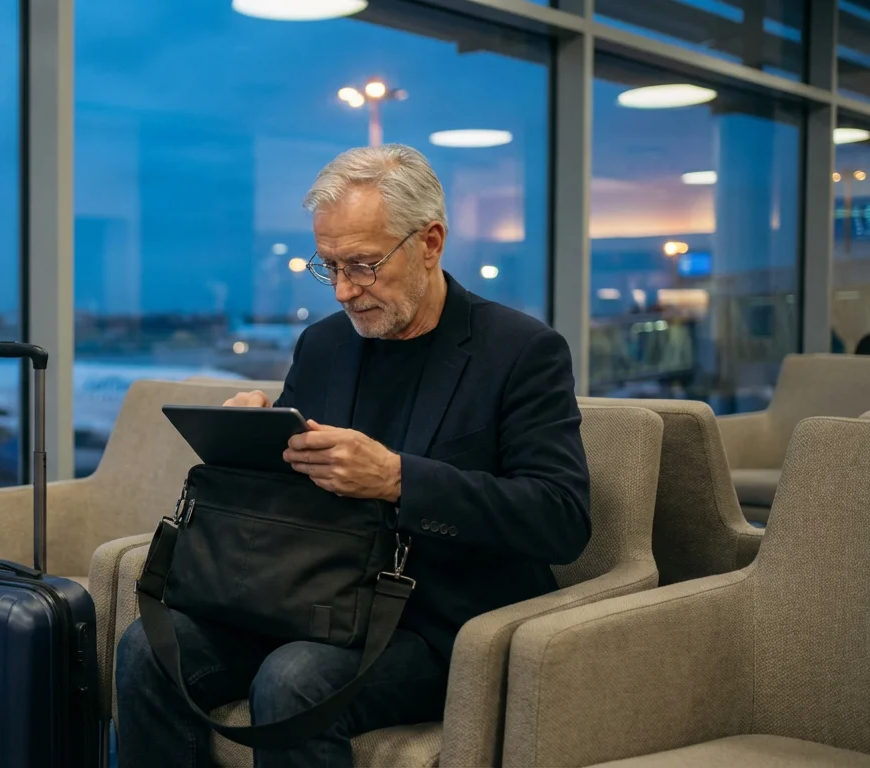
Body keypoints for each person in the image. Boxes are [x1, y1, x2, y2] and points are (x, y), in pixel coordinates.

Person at [115, 144, 592, 768]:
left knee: (293, 680)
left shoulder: (521, 351)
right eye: (329, 265)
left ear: (430, 242)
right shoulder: (323, 346)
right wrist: (248, 443)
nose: (343, 290)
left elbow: (562, 519)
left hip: (436, 622)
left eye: (364, 265)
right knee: (150, 649)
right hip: (311, 597)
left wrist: (398, 479)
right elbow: (287, 488)